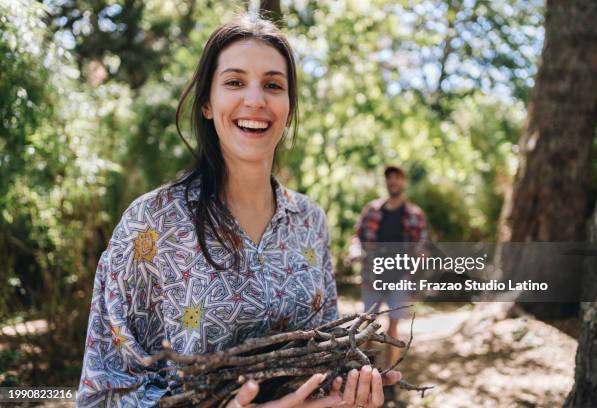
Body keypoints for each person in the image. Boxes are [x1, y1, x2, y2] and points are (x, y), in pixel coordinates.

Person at [76, 14, 400, 408]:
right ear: (208, 105)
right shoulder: (152, 223)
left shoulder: (310, 221)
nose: (255, 100)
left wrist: (343, 393)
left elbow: (324, 358)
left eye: (272, 85)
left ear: (289, 107)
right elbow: (104, 393)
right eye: (234, 82)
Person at [349, 165, 428, 370]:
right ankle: (365, 369)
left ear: (404, 182)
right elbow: (357, 236)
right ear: (386, 182)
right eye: (389, 178)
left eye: (397, 177)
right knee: (368, 323)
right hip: (372, 274)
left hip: (401, 274)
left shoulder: (415, 214)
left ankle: (388, 375)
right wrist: (355, 251)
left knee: (394, 324)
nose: (393, 181)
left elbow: (422, 243)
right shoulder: (372, 210)